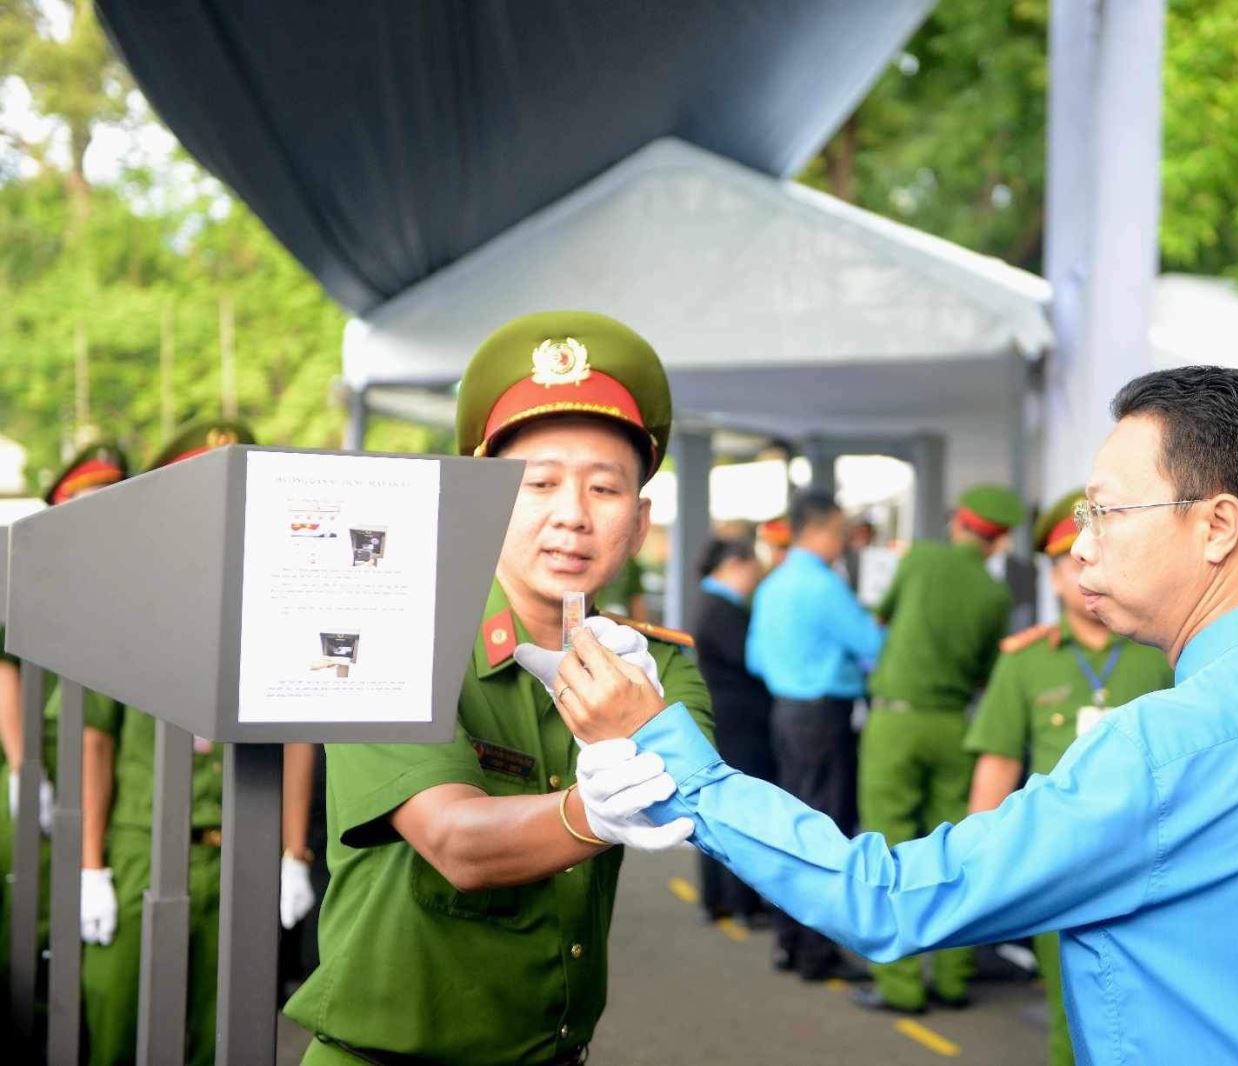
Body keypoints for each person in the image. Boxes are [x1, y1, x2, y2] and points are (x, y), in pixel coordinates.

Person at [553, 365, 1238, 1063]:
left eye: (1106, 512)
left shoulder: (1166, 747)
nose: (1079, 547)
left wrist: (677, 757)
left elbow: (892, 899)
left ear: (1218, 525)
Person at [284, 312, 714, 1065]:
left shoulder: (651, 666)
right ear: (479, 502)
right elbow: (455, 842)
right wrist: (590, 813)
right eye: (538, 483)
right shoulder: (390, 640)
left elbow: (700, 796)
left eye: (606, 489)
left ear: (640, 522)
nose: (572, 516)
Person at [72, 419, 319, 1066]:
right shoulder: (128, 599)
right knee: (122, 1021)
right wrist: (89, 864)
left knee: (228, 1036)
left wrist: (293, 851)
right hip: (141, 849)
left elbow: (297, 734)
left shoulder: (272, 603)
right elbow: (94, 740)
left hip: (240, 850)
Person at [964, 489, 1172, 1063]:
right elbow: (998, 766)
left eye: (1092, 556)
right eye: (1069, 563)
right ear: (1053, 580)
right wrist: (982, 867)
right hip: (1058, 862)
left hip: (1148, 860)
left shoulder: (1158, 654)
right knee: (1073, 1017)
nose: (1083, 570)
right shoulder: (1023, 661)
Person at [852, 484, 1022, 1015]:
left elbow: (880, 618)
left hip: (895, 723)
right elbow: (983, 674)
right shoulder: (997, 597)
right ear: (998, 542)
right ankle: (953, 977)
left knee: (887, 847)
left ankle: (901, 985)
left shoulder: (921, 560)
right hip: (956, 728)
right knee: (957, 851)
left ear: (959, 523)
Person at [0, 438, 128, 1001]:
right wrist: (21, 766)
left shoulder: (128, 585)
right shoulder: (36, 575)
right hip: (42, 762)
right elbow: (6, 672)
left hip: (107, 779)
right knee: (27, 918)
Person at [744, 490, 881, 981]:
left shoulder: (772, 584)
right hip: (825, 717)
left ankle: (789, 941)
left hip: (785, 713)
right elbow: (873, 645)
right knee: (828, 833)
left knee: (792, 827)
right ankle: (818, 953)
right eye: (840, 534)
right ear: (820, 531)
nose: (843, 544)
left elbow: (756, 660)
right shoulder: (824, 586)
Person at [689, 536, 772, 925]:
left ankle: (720, 899)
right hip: (738, 723)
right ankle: (740, 903)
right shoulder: (721, 609)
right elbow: (753, 660)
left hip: (727, 719)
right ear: (734, 565)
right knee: (739, 810)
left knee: (717, 809)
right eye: (753, 567)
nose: (757, 577)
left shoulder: (711, 604)